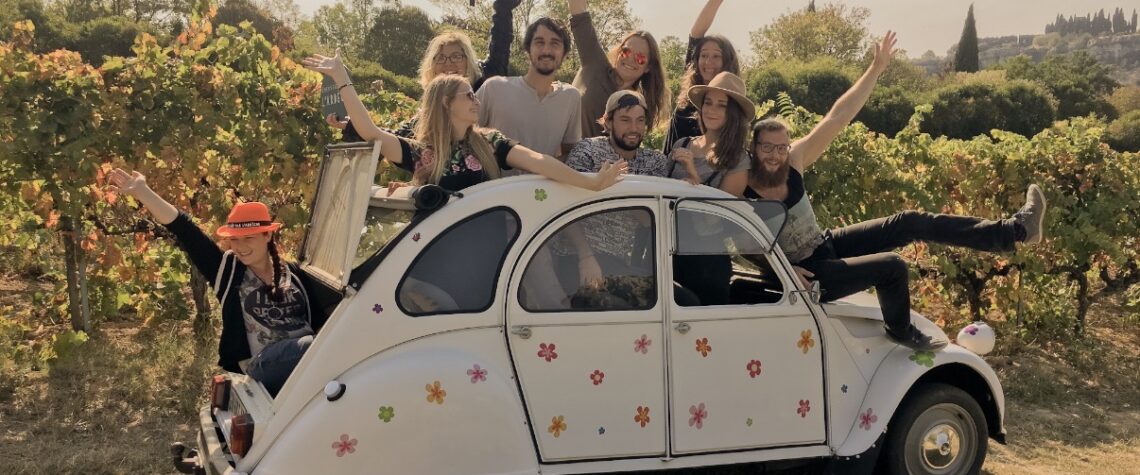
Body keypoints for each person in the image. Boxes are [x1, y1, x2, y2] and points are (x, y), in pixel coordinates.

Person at [743, 32, 1047, 350]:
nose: (775, 155)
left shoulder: (795, 160)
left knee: (910, 221)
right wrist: (783, 269)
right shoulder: (743, 185)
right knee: (892, 267)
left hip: (824, 245)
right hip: (807, 273)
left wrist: (875, 68)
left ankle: (1015, 231)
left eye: (781, 147)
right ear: (754, 146)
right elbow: (739, 243)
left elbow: (838, 116)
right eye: (767, 147)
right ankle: (901, 332)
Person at [105, 170, 327, 397]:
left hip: (309, 358)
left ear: (267, 236)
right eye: (234, 239)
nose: (240, 247)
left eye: (249, 237)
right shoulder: (228, 271)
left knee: (327, 343)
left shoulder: (294, 274)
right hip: (265, 364)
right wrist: (143, 192)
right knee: (319, 346)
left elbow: (322, 319)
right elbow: (186, 230)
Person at [303, 52, 627, 194]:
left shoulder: (490, 142)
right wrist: (342, 78)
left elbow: (539, 161)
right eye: (468, 96)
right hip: (438, 256)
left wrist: (590, 182)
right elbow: (371, 132)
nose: (476, 101)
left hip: (490, 250)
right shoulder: (422, 153)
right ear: (447, 104)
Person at [340, 0, 521, 140]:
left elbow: (500, 43)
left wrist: (502, 9)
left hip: (490, 184)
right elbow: (395, 140)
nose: (448, 63)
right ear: (432, 68)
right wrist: (354, 127)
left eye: (456, 56)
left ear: (468, 62)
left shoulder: (484, 85)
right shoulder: (431, 109)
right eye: (441, 58)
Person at [477, 17, 582, 161]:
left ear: (565, 54)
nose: (546, 50)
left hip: (541, 184)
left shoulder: (571, 97)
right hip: (493, 183)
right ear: (528, 50)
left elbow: (570, 152)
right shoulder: (494, 88)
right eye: (539, 43)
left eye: (555, 44)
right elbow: (462, 133)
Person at [567, 0, 671, 138]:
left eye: (640, 58)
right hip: (555, 153)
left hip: (599, 160)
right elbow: (579, 13)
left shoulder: (637, 104)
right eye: (626, 51)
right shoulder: (595, 63)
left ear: (648, 68)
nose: (630, 59)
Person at [663, 0, 741, 156]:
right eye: (704, 55)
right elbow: (696, 33)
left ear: (727, 61)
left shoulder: (733, 101)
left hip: (701, 177)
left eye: (716, 56)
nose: (708, 62)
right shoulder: (691, 90)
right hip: (668, 172)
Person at [669, 71, 752, 197]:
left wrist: (694, 175)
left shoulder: (738, 159)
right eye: (708, 102)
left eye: (722, 105)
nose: (711, 110)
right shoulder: (682, 144)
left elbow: (723, 213)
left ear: (734, 114)